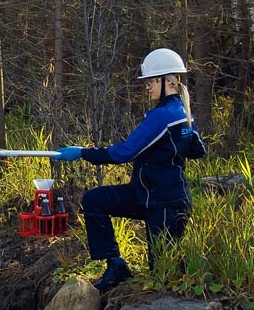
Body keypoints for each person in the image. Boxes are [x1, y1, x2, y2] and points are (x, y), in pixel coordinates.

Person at [56, 49, 208, 291]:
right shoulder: (181, 113)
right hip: (144, 196)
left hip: (167, 204)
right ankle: (116, 265)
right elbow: (198, 150)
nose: (147, 87)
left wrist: (82, 152)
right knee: (94, 200)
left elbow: (124, 152)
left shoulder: (163, 116)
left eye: (150, 82)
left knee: (161, 272)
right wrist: (170, 147)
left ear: (167, 81)